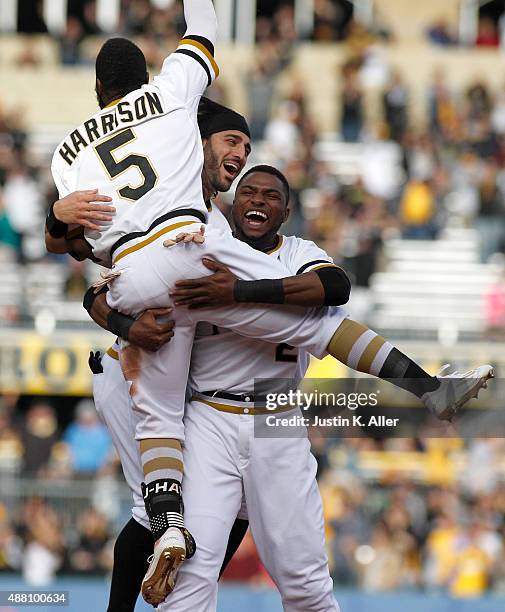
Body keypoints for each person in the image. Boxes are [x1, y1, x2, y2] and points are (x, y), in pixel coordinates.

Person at [46, 3, 493, 601]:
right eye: (232, 142)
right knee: (157, 515)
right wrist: (118, 311)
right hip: (188, 378)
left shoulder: (91, 161)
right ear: (197, 138)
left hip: (243, 393)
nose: (240, 159)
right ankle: (165, 534)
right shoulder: (183, 150)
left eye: (254, 158)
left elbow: (80, 253)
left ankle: (171, 529)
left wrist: (60, 224)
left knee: (254, 557)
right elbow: (88, 287)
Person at [88, 166, 493, 612]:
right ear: (232, 202)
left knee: (304, 582)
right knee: (190, 581)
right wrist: (123, 318)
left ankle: (430, 388)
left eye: (270, 195)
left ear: (286, 211)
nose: (257, 201)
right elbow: (102, 292)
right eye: (248, 192)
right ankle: (431, 389)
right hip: (208, 415)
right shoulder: (204, 247)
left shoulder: (299, 251)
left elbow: (335, 286)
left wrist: (241, 290)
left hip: (276, 418)